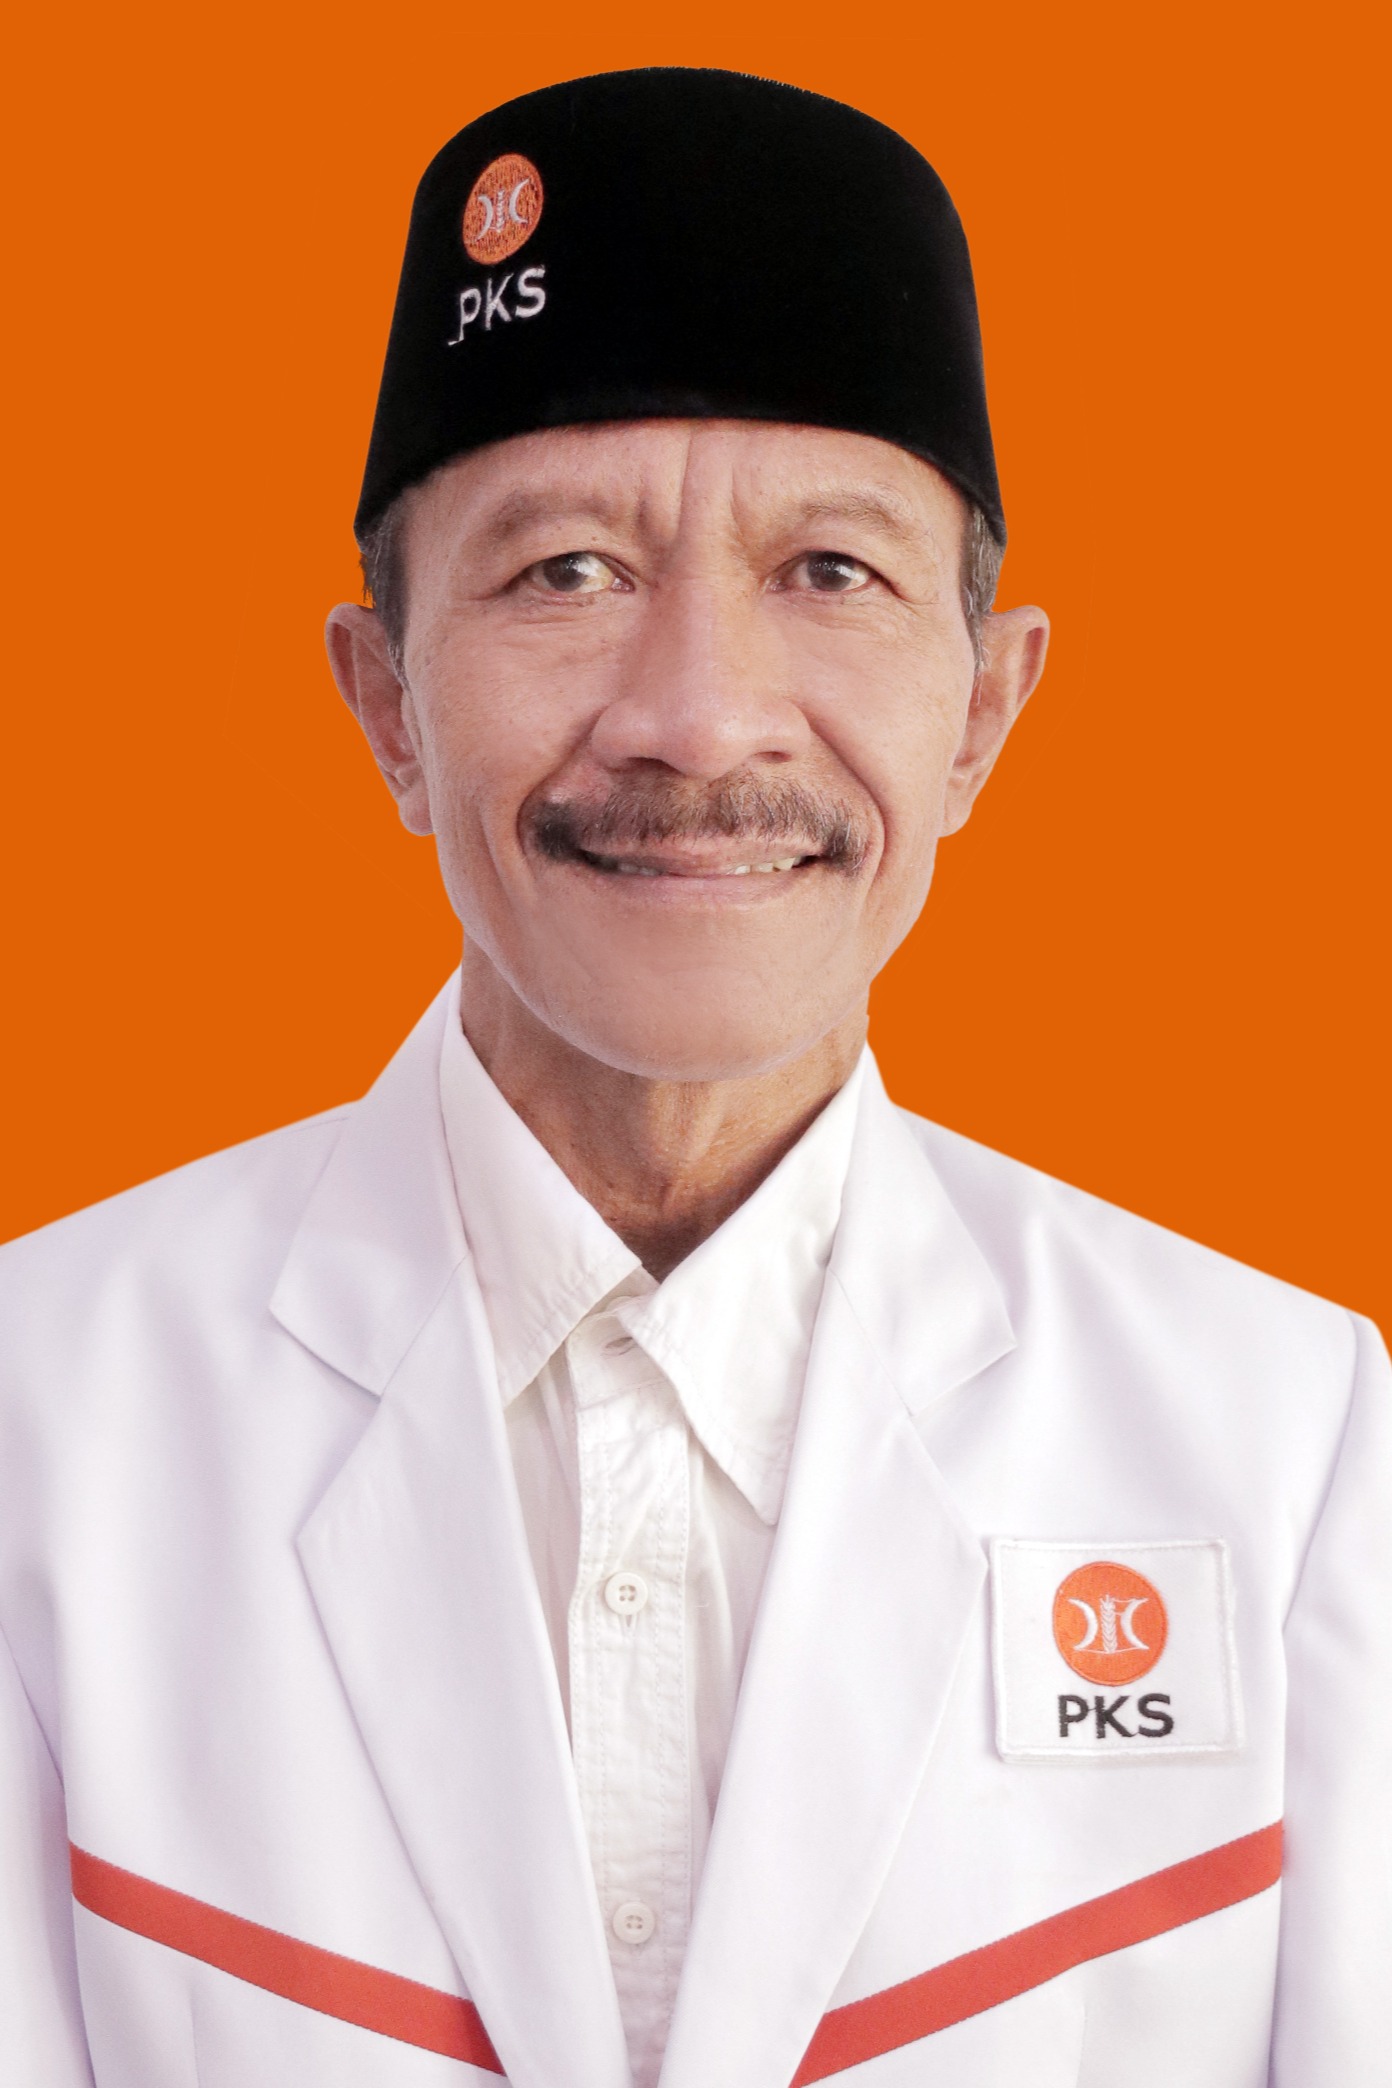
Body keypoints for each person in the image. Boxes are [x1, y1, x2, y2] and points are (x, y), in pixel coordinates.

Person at [0, 65, 1387, 2088]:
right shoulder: (42, 1418)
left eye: (831, 572)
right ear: (386, 706)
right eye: (564, 573)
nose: (700, 716)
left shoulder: (1289, 1441)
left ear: (984, 713)